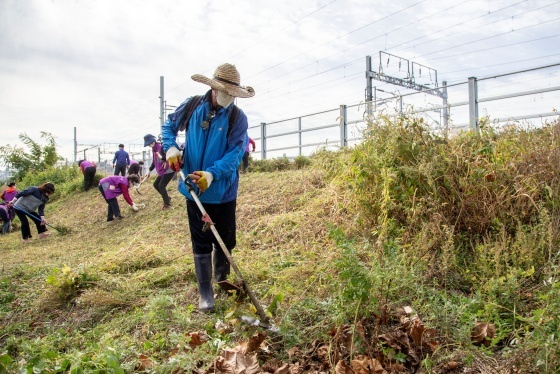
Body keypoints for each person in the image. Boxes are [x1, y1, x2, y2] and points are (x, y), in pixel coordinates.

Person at [161, 63, 254, 312]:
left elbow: (235, 155)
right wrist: (170, 147)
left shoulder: (237, 117)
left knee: (225, 239)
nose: (229, 98)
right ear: (213, 88)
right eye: (225, 92)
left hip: (222, 192)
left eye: (233, 94)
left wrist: (212, 174)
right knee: (200, 240)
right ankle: (205, 293)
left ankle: (221, 277)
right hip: (194, 191)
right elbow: (168, 127)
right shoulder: (193, 106)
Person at [143, 134, 175, 209]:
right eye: (148, 144)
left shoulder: (161, 147)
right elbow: (154, 162)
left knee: (161, 185)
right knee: (156, 184)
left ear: (153, 142)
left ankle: (167, 204)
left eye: (149, 144)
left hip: (168, 170)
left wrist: (162, 158)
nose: (149, 145)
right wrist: (149, 171)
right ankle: (167, 198)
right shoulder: (154, 150)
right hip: (162, 171)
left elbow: (168, 156)